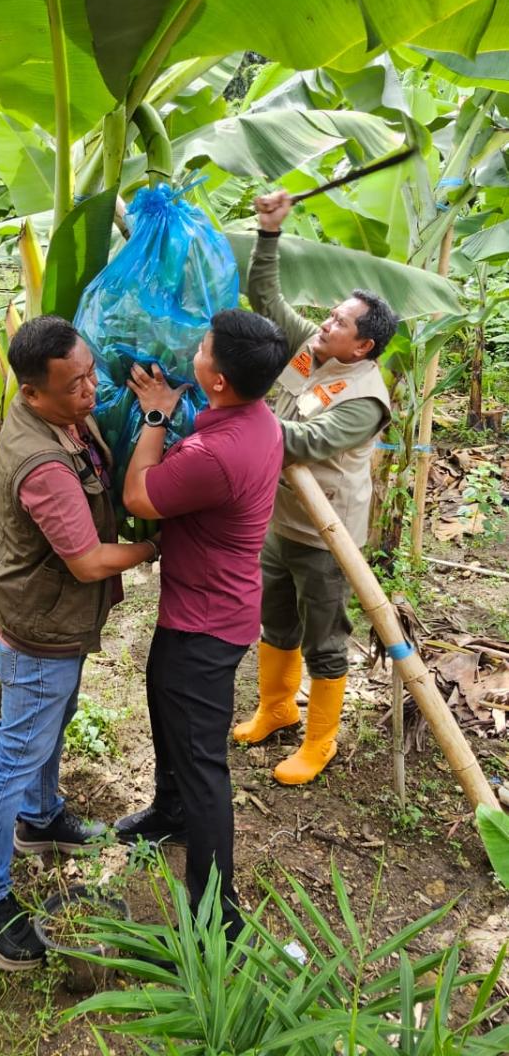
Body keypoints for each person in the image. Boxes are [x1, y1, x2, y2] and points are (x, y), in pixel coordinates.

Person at [0, 316, 160, 971]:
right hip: (41, 627)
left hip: (50, 621)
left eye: (91, 372)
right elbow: (89, 562)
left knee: (50, 722)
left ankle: (40, 818)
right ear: (34, 394)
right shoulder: (41, 462)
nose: (90, 390)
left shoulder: (60, 417)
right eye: (75, 385)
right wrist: (159, 545)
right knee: (15, 753)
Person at [113, 308, 289, 940]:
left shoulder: (215, 454)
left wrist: (157, 418)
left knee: (203, 761)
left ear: (216, 378)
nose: (198, 348)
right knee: (166, 708)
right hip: (208, 608)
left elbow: (139, 496)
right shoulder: (259, 420)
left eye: (205, 346)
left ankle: (217, 912)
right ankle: (170, 813)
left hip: (205, 623)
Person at [233, 190, 398, 785]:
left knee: (325, 638)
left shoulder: (366, 398)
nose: (327, 322)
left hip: (326, 537)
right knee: (274, 617)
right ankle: (276, 706)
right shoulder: (315, 350)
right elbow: (266, 298)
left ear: (364, 346)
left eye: (340, 322)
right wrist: (269, 232)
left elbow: (300, 442)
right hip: (281, 520)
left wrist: (234, 410)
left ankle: (320, 740)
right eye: (330, 314)